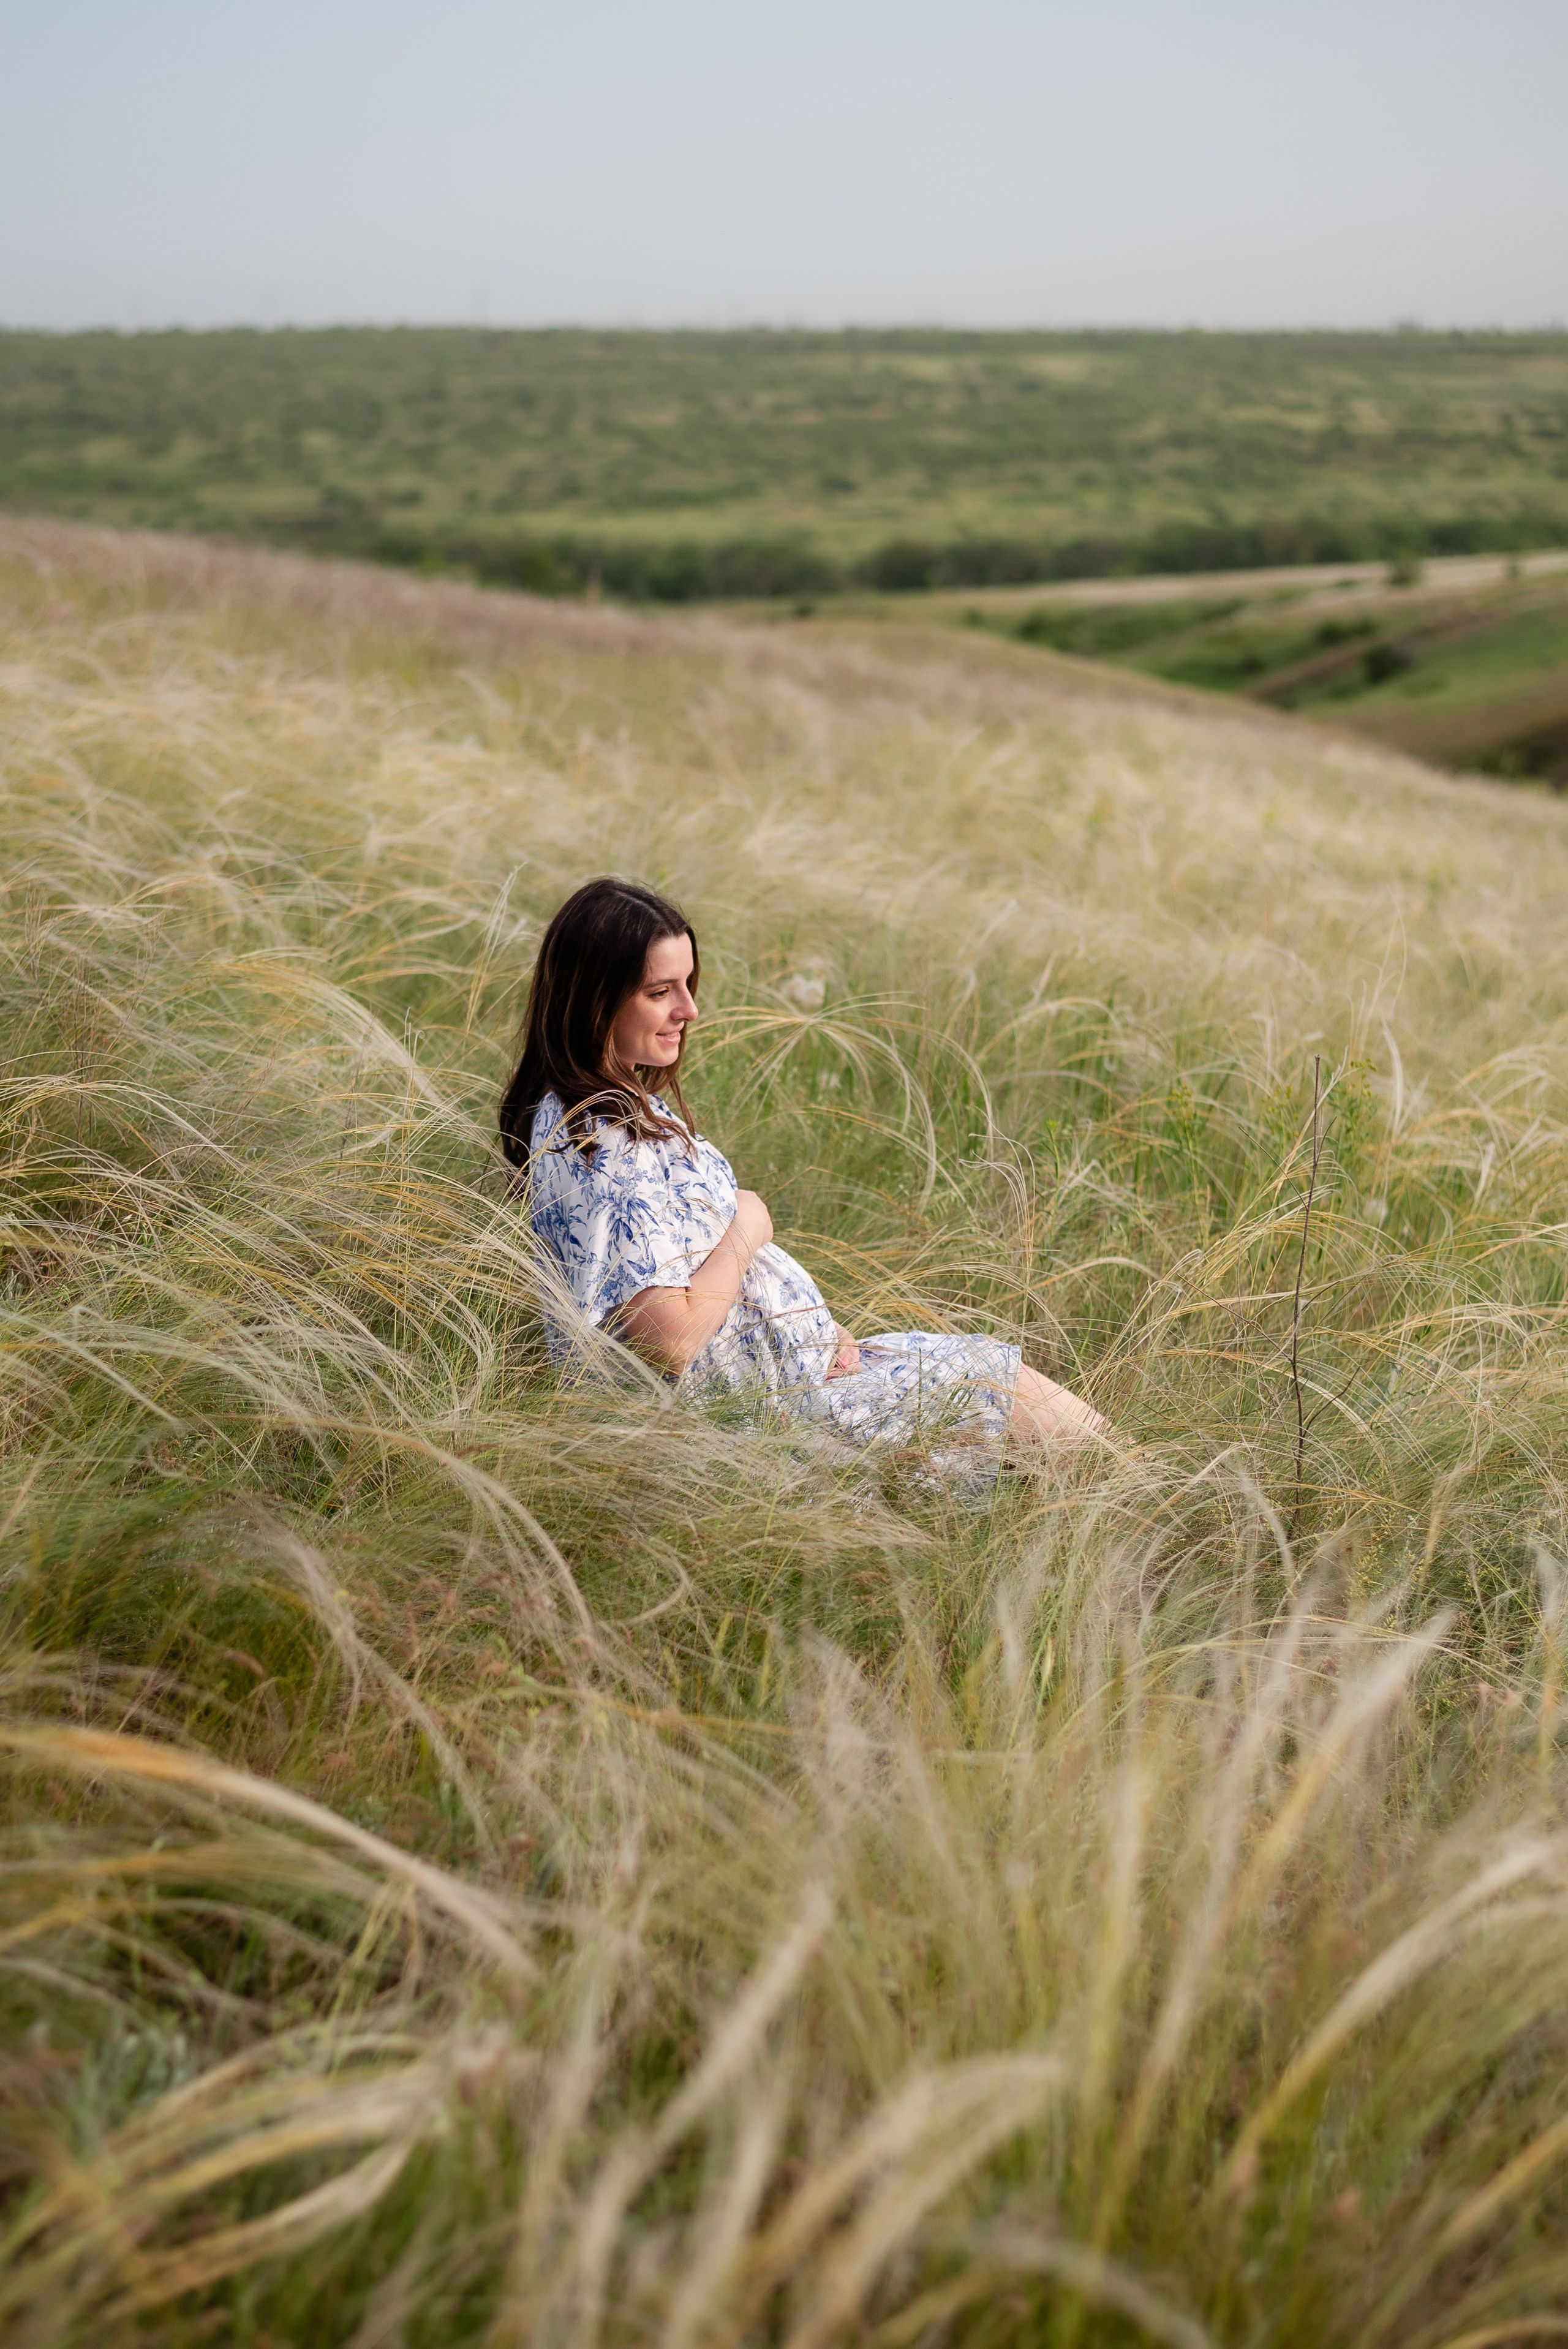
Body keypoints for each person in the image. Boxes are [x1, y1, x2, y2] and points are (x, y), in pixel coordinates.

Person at [499, 878, 1108, 1471]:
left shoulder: (609, 1111)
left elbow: (685, 1273)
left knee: (1025, 1411)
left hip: (792, 1385)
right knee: (1014, 1398)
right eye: (661, 991)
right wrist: (748, 1226)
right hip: (766, 1422)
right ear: (595, 998)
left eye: (687, 983)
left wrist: (815, 1328)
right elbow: (671, 1341)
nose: (689, 1009)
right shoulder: (600, 1141)